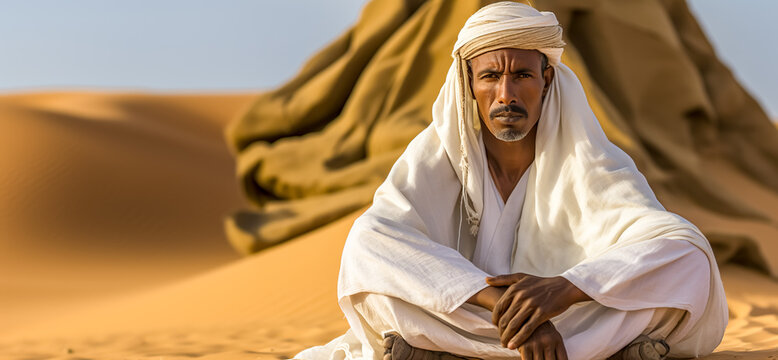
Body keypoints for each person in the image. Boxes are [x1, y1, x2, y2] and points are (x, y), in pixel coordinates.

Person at [295, 2, 727, 360]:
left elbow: (672, 246)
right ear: (469, 84)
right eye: (490, 77)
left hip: (569, 321)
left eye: (521, 75)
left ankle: (445, 355)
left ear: (547, 79)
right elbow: (377, 239)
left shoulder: (589, 156)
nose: (506, 95)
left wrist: (565, 289)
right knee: (367, 259)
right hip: (479, 318)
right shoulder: (438, 152)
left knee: (690, 264)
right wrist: (506, 307)